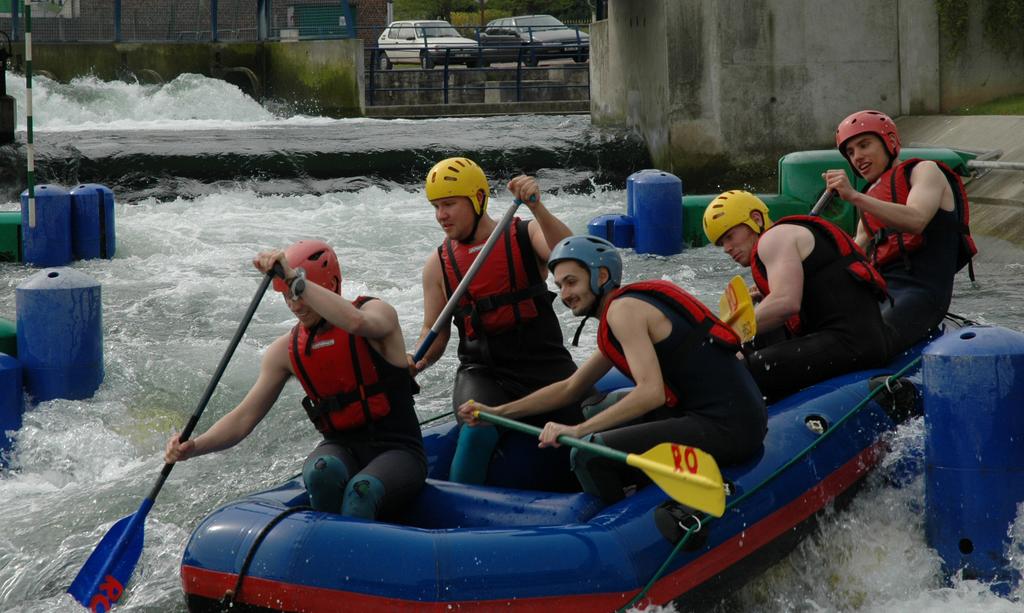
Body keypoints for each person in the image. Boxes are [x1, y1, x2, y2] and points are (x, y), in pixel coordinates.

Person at [458, 236, 767, 504]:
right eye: (559, 285)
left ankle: (619, 521)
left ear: (601, 275)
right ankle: (638, 485)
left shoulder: (623, 311)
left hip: (729, 427)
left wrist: (577, 432)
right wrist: (498, 411)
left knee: (586, 452)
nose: (564, 294)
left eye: (572, 282)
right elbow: (570, 388)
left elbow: (651, 392)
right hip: (717, 413)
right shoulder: (626, 306)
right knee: (596, 409)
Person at [165, 240, 426, 520]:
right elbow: (243, 418)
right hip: (343, 448)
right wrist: (194, 447)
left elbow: (356, 323)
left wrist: (293, 278)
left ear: (331, 285)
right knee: (320, 472)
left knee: (362, 491)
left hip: (399, 450)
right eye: (287, 296)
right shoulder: (285, 352)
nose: (295, 304)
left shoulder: (376, 313)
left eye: (300, 293)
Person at [410, 157, 584, 487]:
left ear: (477, 199)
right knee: (477, 425)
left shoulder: (522, 233)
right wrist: (414, 361)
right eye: (436, 207)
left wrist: (538, 209)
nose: (441, 216)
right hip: (485, 371)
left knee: (585, 431)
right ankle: (460, 516)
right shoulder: (438, 264)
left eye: (449, 204)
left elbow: (571, 255)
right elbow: (433, 331)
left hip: (545, 364)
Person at [702, 190, 891, 401]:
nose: (727, 248)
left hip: (852, 345)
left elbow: (786, 303)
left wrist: (724, 334)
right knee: (745, 348)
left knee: (737, 373)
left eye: (730, 236)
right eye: (721, 243)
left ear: (756, 219)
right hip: (856, 339)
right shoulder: (786, 236)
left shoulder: (774, 238)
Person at [825, 110, 977, 354]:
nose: (857, 157)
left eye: (864, 145)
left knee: (864, 345)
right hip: (884, 296)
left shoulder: (924, 172)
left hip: (923, 294)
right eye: (850, 152)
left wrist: (854, 196)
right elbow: (847, 263)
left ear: (891, 143)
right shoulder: (870, 208)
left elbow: (916, 220)